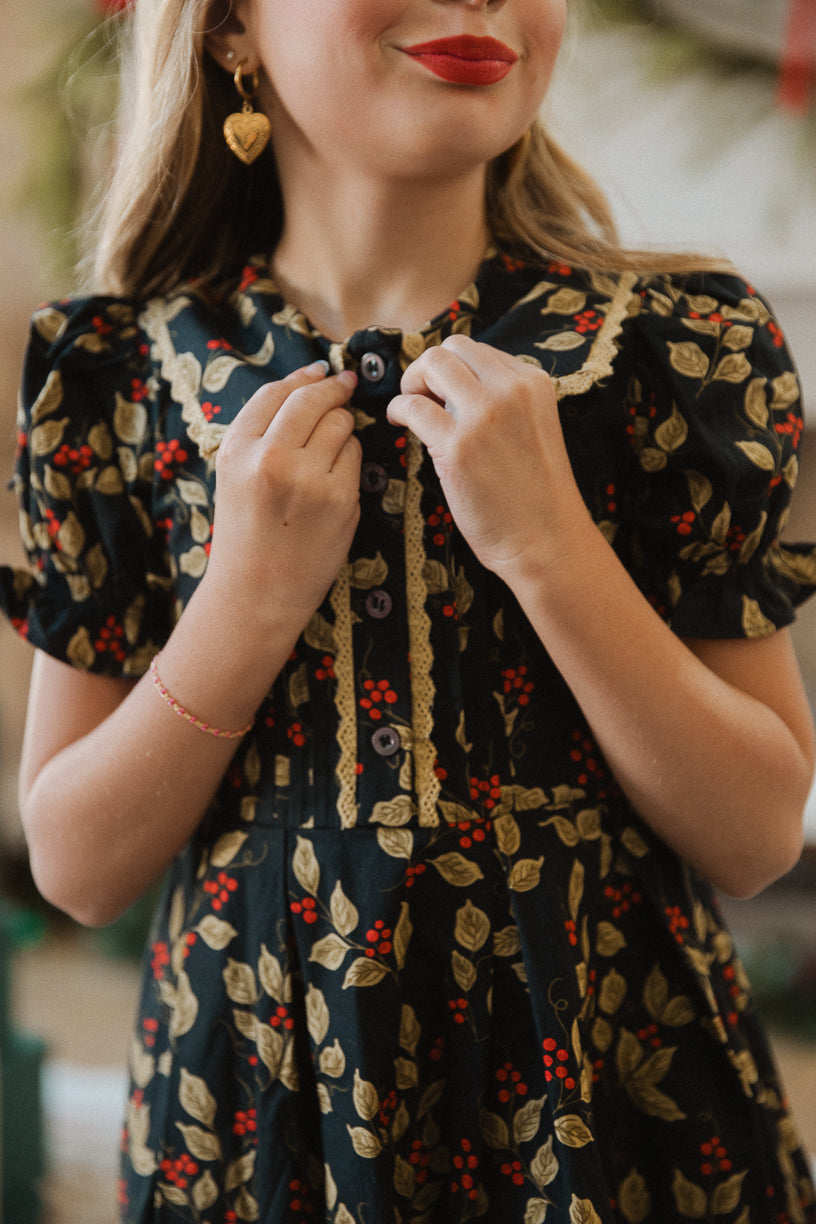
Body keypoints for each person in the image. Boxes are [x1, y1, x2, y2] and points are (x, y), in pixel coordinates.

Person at [2, 0, 816, 1219]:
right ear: (230, 28)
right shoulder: (115, 375)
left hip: (617, 1107)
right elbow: (74, 863)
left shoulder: (680, 347)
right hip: (258, 1119)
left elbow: (757, 834)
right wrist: (247, 600)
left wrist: (548, 546)